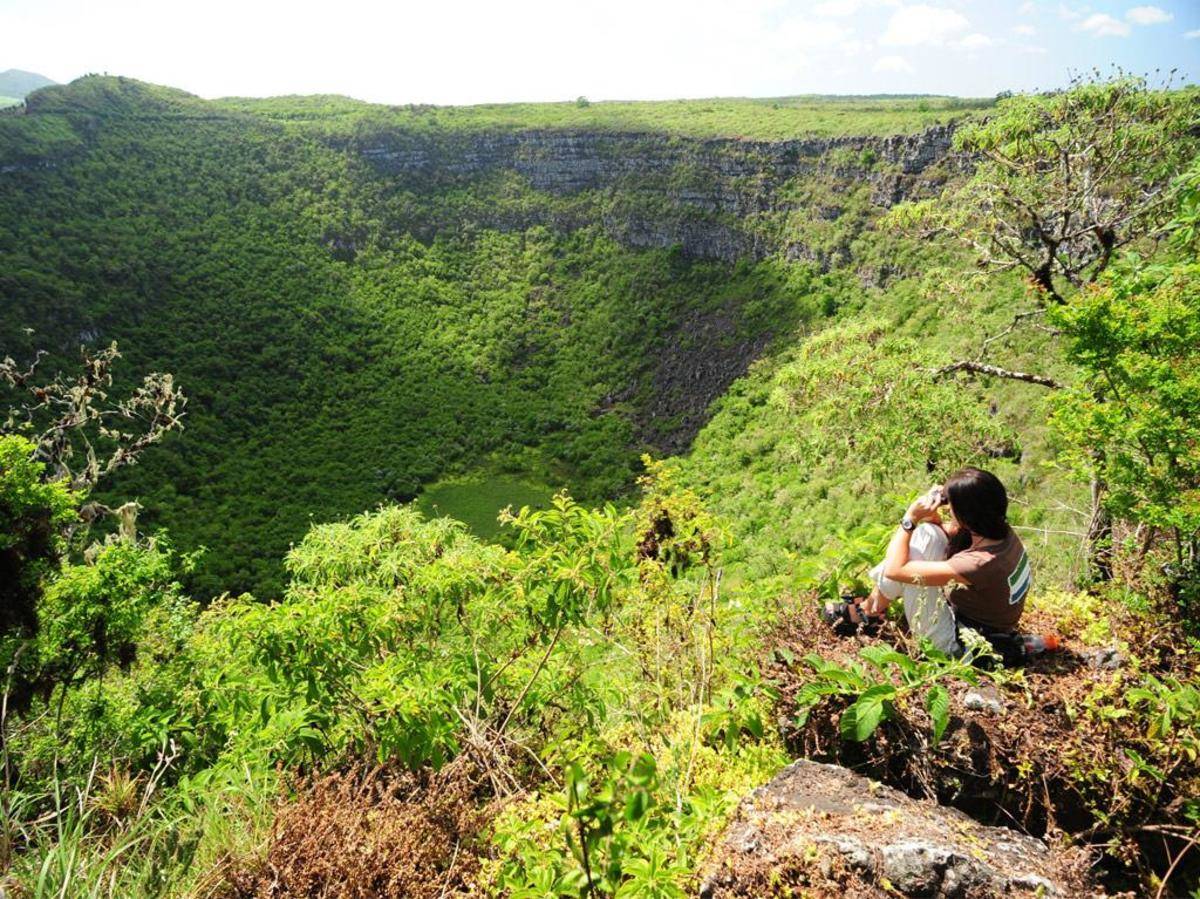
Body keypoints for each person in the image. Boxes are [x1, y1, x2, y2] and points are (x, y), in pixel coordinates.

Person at [824, 467, 1031, 655]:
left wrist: (909, 519)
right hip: (980, 622)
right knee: (929, 533)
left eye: (951, 506)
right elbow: (943, 533)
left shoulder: (980, 563)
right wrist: (933, 514)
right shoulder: (997, 531)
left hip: (963, 643)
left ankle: (867, 612)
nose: (947, 509)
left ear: (967, 516)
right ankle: (870, 609)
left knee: (911, 565)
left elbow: (896, 570)